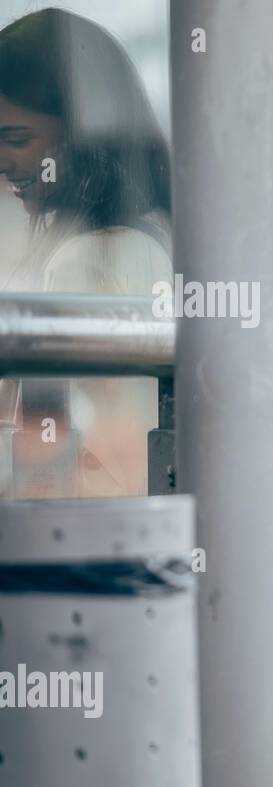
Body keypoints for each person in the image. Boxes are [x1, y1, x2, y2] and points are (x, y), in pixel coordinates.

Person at [0, 8, 173, 499]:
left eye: (17, 138)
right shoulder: (155, 240)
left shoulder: (86, 259)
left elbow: (71, 459)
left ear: (80, 134)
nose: (2, 161)